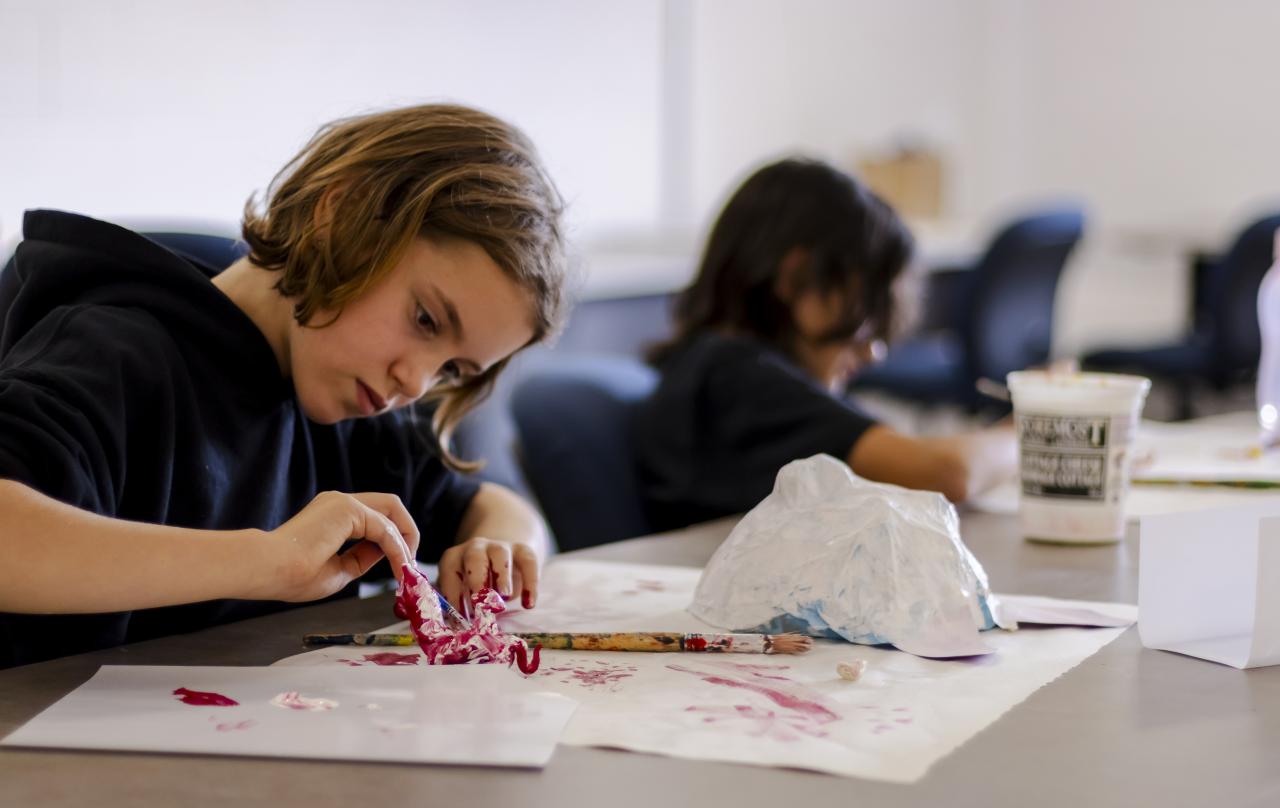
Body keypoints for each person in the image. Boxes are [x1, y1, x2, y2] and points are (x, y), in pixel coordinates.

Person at [0, 104, 565, 668]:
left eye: (451, 370)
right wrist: (267, 560)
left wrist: (503, 549)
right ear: (339, 216)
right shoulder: (113, 353)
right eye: (425, 320)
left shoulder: (349, 413)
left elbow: (497, 507)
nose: (415, 382)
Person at [634, 158, 1016, 532]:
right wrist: (1032, 430)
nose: (872, 353)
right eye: (863, 316)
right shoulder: (737, 378)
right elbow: (947, 474)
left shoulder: (721, 368)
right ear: (796, 277)